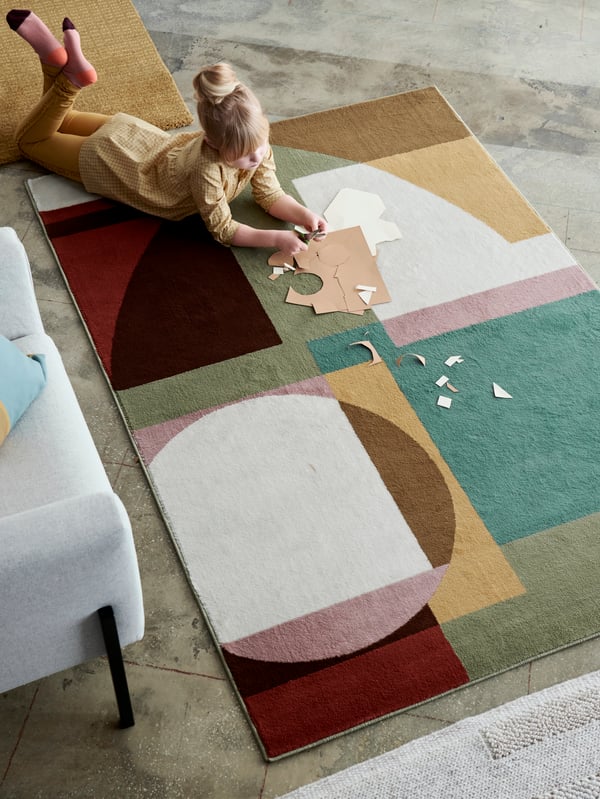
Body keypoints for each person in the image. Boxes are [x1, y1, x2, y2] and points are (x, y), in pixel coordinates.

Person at [6, 10, 327, 256]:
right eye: (245, 154)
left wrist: (304, 215)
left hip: (132, 133)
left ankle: (55, 61)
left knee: (62, 118)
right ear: (211, 142)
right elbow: (223, 229)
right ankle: (70, 79)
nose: (257, 157)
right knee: (30, 141)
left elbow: (269, 194)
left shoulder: (256, 143)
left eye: (259, 145)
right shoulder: (207, 169)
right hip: (112, 162)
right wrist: (274, 238)